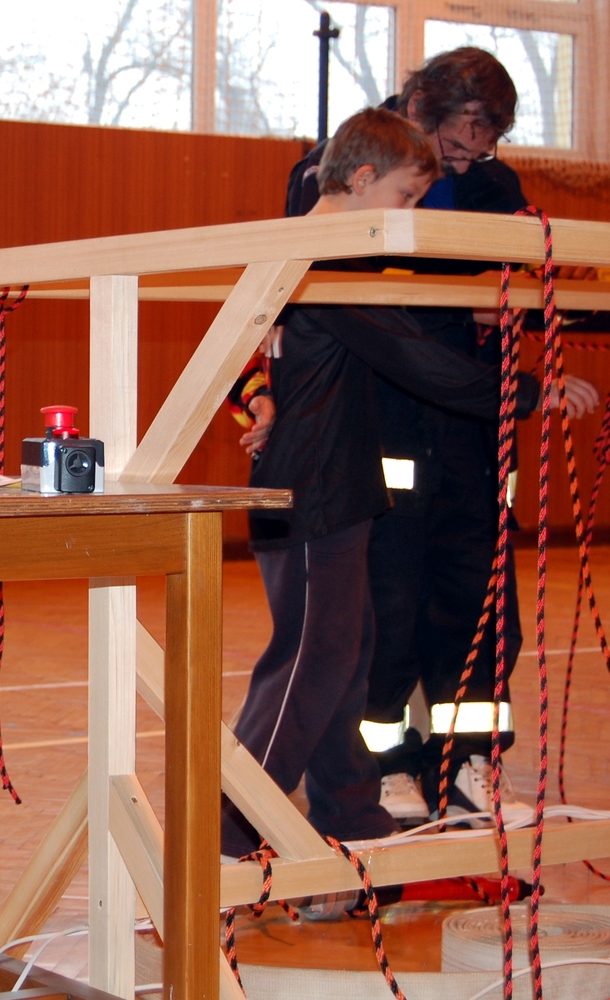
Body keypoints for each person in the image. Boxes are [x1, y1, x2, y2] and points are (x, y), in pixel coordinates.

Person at [274, 47, 599, 825]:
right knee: (383, 600)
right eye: (454, 143)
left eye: (479, 149)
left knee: (478, 596)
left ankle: (467, 761)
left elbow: (514, 284)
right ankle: (383, 767)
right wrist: (467, 309)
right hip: (384, 416)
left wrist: (518, 307)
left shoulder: (494, 184)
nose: (463, 161)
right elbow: (355, 309)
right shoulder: (336, 170)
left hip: (471, 427)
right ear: (419, 106)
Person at [222, 108, 535, 860]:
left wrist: (262, 397)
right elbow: (422, 363)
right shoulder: (324, 264)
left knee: (348, 657)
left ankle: (352, 818)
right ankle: (227, 830)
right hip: (312, 493)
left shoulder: (323, 261)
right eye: (405, 196)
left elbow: (264, 359)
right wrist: (529, 391)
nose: (408, 213)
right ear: (361, 179)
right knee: (312, 661)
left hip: (340, 487)